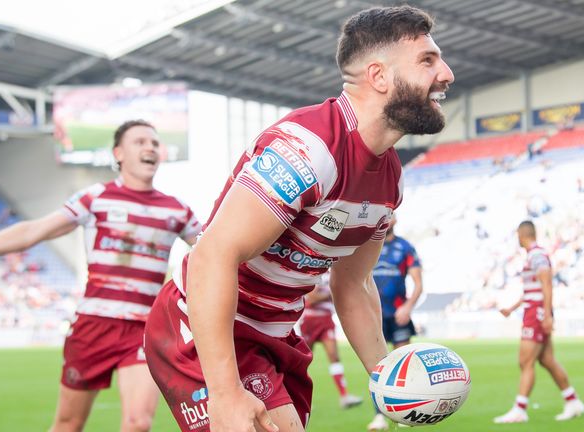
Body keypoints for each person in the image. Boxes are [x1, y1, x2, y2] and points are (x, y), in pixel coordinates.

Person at [142, 5, 454, 432]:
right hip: (206, 325)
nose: (447, 73)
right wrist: (226, 392)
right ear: (379, 76)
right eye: (428, 60)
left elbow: (354, 284)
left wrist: (388, 378)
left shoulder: (390, 180)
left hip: (279, 334)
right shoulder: (310, 148)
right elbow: (212, 254)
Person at [0, 120, 201, 432]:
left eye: (154, 143)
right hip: (93, 326)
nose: (150, 147)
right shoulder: (95, 198)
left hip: (143, 328)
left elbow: (214, 250)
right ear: (118, 153)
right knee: (68, 423)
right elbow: (33, 231)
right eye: (140, 142)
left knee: (138, 422)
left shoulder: (177, 210)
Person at [493, 220, 584, 424]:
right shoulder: (533, 256)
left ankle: (520, 409)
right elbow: (531, 290)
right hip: (534, 311)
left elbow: (547, 284)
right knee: (547, 360)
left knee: (525, 361)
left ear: (522, 234)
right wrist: (512, 308)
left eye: (517, 235)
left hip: (537, 314)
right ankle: (573, 401)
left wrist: (546, 314)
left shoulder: (537, 255)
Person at [367, 213, 424, 431]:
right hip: (374, 315)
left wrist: (407, 307)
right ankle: (379, 415)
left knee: (403, 366)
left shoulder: (405, 248)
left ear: (396, 221)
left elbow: (418, 284)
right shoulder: (368, 245)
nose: (387, 219)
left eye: (391, 216)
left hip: (398, 314)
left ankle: (404, 414)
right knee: (378, 366)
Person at [298, 271, 364, 409]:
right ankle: (297, 397)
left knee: (334, 357)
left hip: (326, 320)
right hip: (310, 320)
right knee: (302, 360)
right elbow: (312, 298)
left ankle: (344, 396)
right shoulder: (315, 271)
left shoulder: (333, 275)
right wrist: (331, 294)